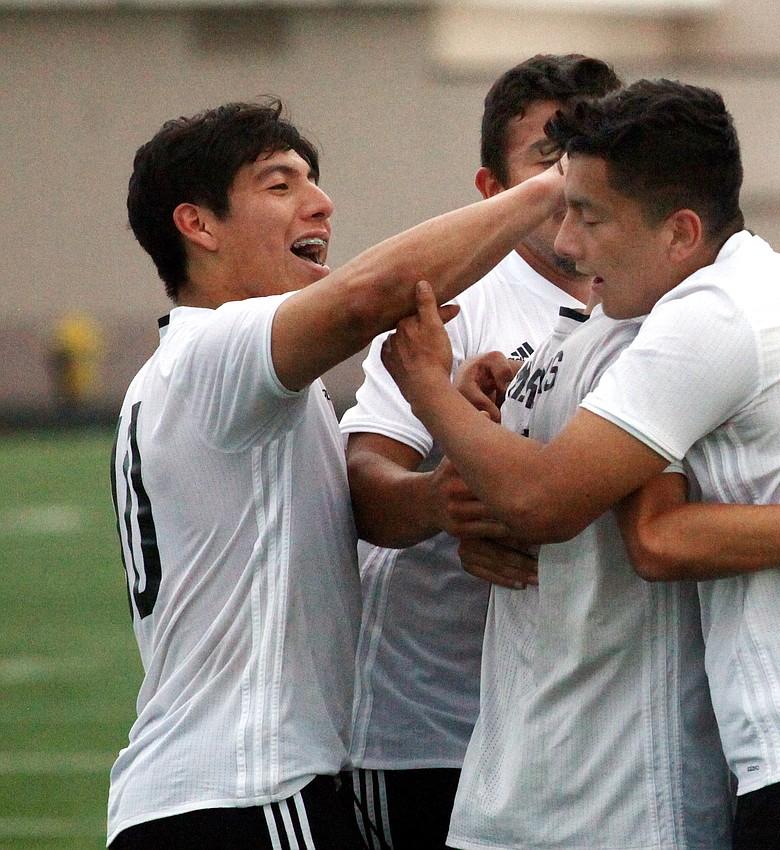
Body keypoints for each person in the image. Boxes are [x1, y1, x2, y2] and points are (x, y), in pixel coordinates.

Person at [387, 79, 780, 849]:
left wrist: (426, 390)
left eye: (589, 215)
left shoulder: (715, 314)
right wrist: (496, 422)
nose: (567, 242)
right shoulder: (690, 305)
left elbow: (604, 522)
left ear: (679, 232)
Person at [106, 98, 568, 849]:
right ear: (198, 225)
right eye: (279, 185)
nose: (320, 202)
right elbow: (366, 299)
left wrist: (443, 452)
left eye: (312, 181)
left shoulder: (229, 378)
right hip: (253, 795)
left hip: (207, 796)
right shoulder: (217, 351)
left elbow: (331, 523)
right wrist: (556, 185)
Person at [340, 54, 621, 849]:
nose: (575, 178)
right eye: (549, 156)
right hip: (433, 728)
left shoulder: (655, 304)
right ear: (493, 191)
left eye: (593, 148)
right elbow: (362, 480)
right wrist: (442, 501)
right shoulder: (459, 300)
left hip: (584, 726)